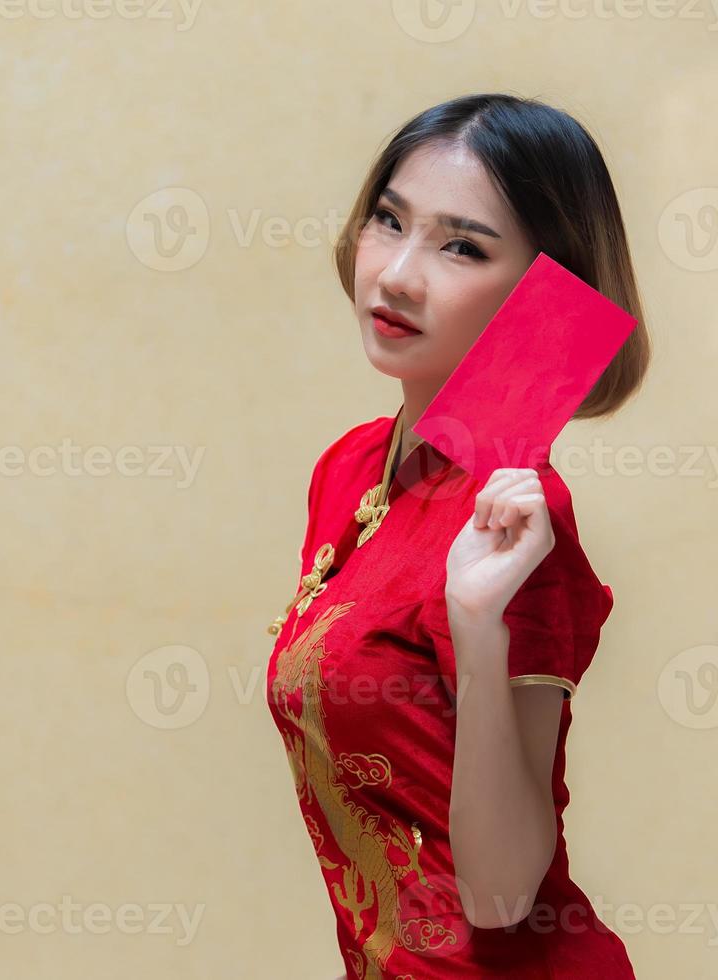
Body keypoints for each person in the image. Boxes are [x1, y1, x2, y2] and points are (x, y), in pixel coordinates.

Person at [265, 93, 651, 979]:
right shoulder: (351, 471)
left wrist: (478, 625)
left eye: (462, 246)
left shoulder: (516, 519)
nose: (397, 274)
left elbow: (504, 897)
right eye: (389, 220)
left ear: (544, 289)